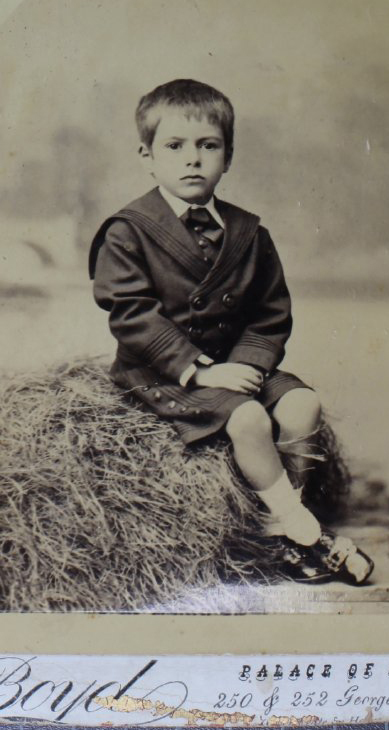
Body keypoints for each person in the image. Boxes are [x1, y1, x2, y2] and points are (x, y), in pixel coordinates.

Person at [89, 79, 373, 584]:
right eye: (175, 147)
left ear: (228, 155)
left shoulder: (248, 232)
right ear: (147, 155)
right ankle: (299, 529)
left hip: (237, 365)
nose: (192, 160)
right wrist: (200, 371)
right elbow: (131, 312)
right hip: (163, 372)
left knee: (302, 405)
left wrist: (246, 363)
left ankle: (276, 524)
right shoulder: (128, 230)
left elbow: (270, 312)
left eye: (208, 146)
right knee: (246, 419)